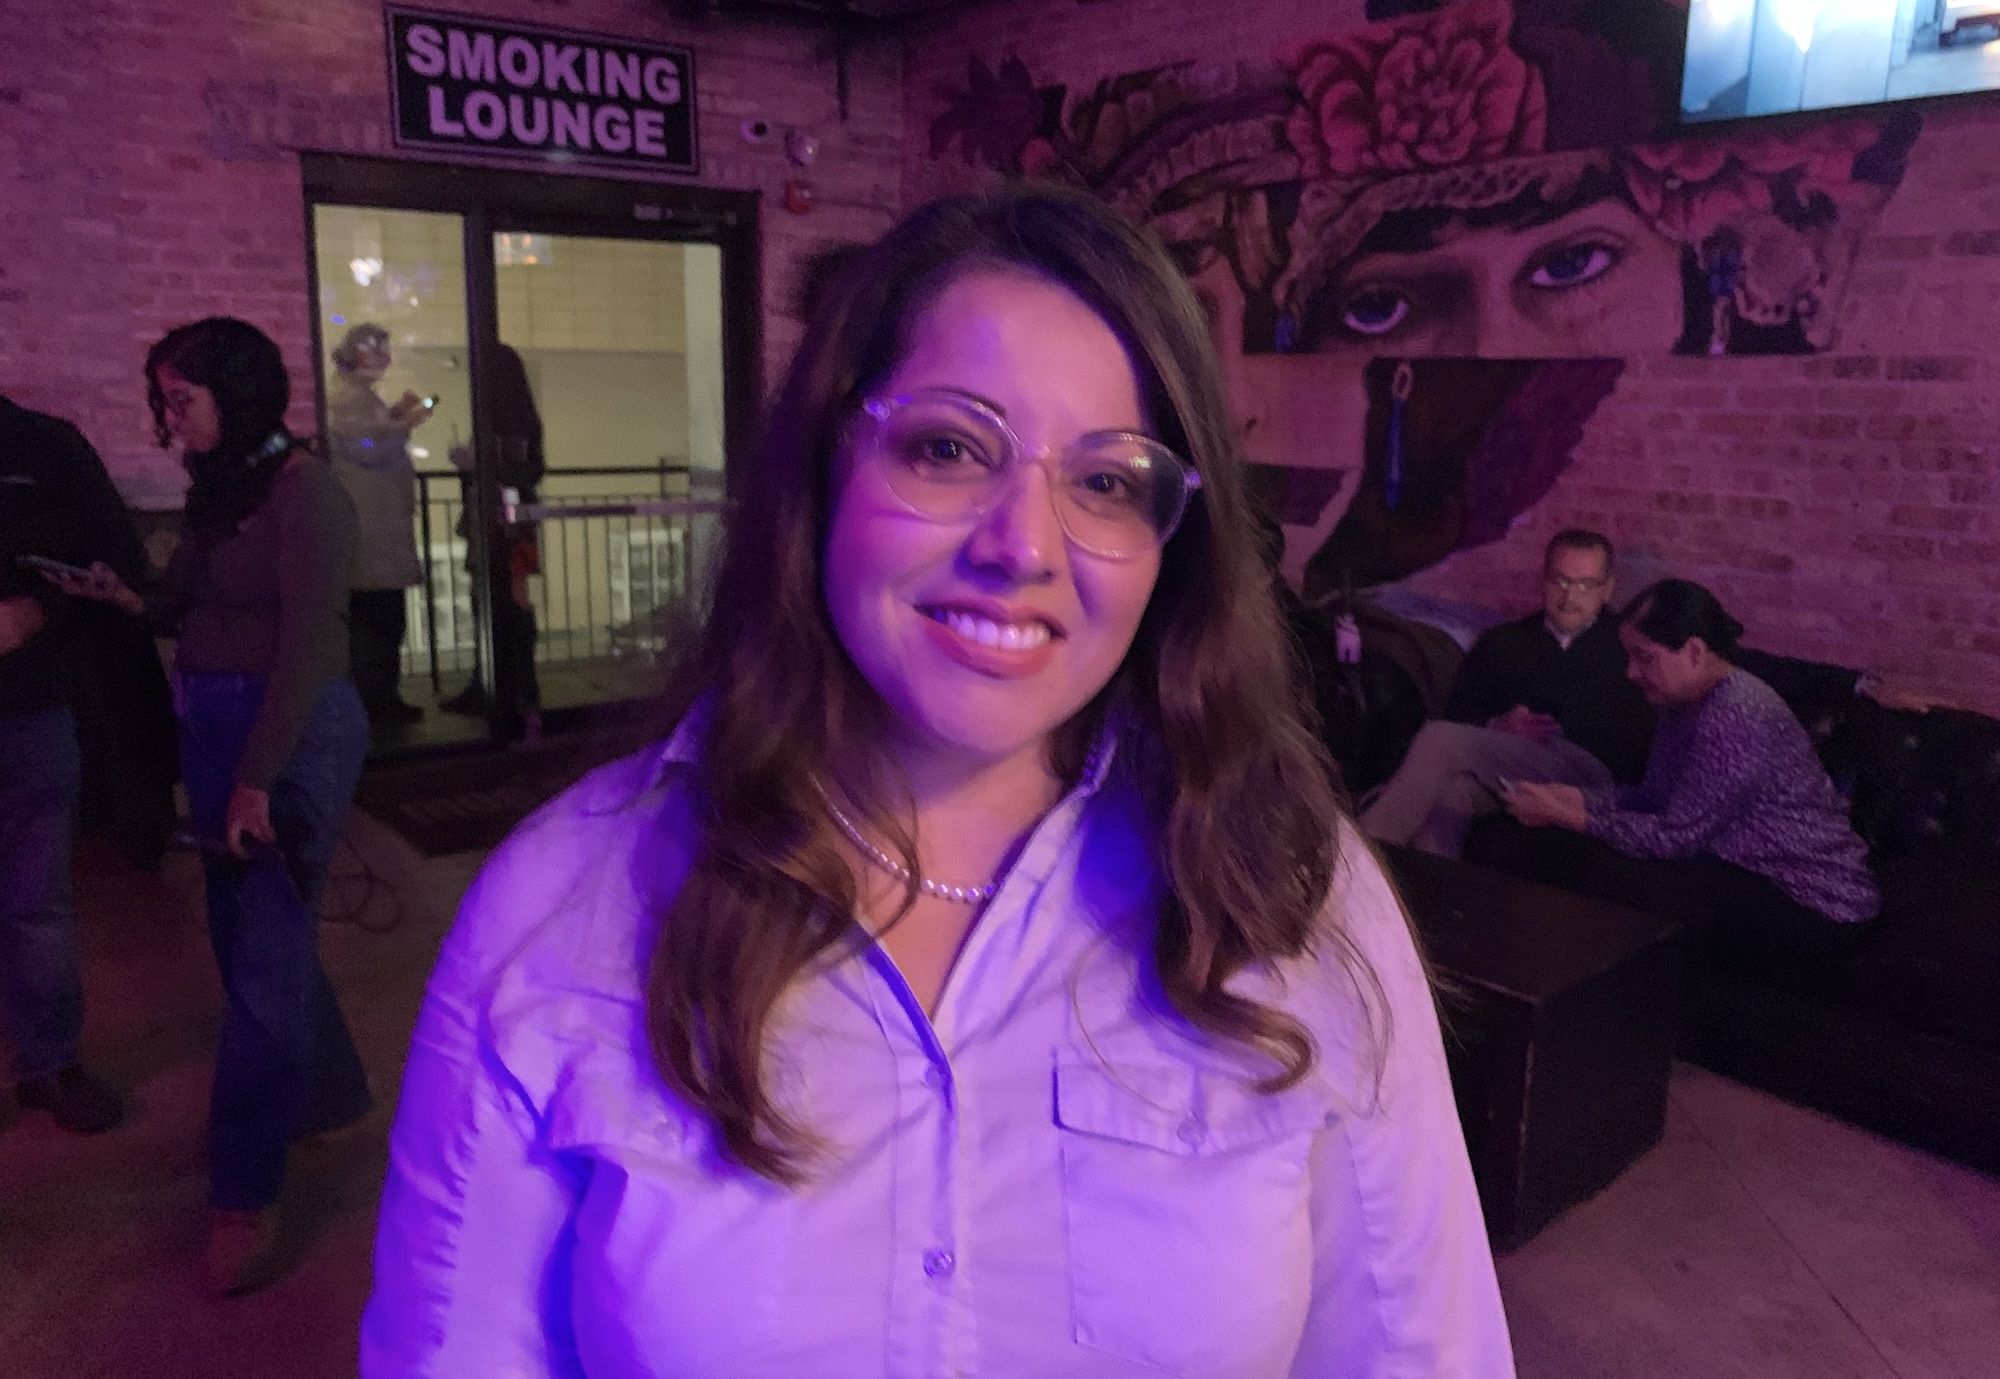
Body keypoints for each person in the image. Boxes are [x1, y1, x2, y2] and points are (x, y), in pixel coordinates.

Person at [363, 188, 1511, 1376]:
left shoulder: (1292, 889)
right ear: (826, 466)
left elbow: (1421, 1349)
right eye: (950, 447)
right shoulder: (563, 908)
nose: (1021, 543)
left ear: (1175, 546)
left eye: (1108, 480)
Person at [51, 318, 375, 1295]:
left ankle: (244, 1187)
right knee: (246, 939)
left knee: (264, 956)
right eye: (164, 399)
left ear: (235, 395)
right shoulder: (221, 490)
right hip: (219, 723)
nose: (168, 418)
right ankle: (331, 1091)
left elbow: (312, 649)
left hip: (289, 732)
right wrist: (119, 593)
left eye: (180, 398)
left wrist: (257, 778)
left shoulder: (305, 491)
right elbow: (178, 602)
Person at [1504, 578, 1879, 930]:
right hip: (1739, 869)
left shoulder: (1736, 712)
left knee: (1606, 873)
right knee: (1556, 848)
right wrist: (1581, 798)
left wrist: (1574, 816)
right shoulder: (1680, 703)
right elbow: (1655, 798)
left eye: (1644, 657)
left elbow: (1675, 838)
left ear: (1695, 652)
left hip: (1810, 897)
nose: (1631, 672)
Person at [0, 394, 133, 1135]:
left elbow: (110, 551)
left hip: (28, 704)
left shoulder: (44, 441)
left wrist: (38, 610)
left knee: (36, 901)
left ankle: (49, 1062)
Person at [1361, 528, 1651, 857]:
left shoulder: (1626, 648)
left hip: (1584, 773)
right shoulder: (1504, 641)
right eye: (1560, 581)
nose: (1570, 597)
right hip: (1501, 774)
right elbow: (1459, 712)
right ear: (1544, 579)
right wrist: (1496, 728)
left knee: (1440, 739)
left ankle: (1360, 864)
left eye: (1585, 585)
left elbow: (1637, 739)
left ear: (1607, 588)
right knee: (1449, 795)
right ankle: (1435, 897)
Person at [325, 322, 430, 726]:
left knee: (381, 623)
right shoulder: (346, 398)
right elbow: (365, 447)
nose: (384, 358)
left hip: (375, 534)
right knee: (379, 625)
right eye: (376, 349)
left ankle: (380, 701)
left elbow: (366, 441)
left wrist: (395, 419)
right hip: (371, 537)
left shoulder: (355, 398)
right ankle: (378, 704)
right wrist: (404, 423)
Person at [440, 341, 544, 735]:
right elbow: (531, 469)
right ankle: (517, 684)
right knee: (510, 596)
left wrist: (472, 464)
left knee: (495, 597)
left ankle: (507, 684)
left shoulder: (499, 422)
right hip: (514, 517)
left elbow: (521, 468)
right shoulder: (523, 418)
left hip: (499, 517)